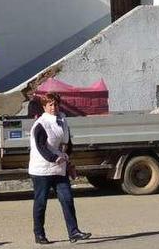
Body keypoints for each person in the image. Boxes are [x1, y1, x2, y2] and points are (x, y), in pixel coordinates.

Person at [28, 92, 92, 244]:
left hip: (59, 169)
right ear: (44, 107)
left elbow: (67, 143)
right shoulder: (40, 124)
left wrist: (67, 159)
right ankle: (39, 234)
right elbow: (41, 147)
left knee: (67, 199)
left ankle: (74, 232)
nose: (54, 107)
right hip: (41, 169)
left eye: (56, 104)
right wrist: (54, 158)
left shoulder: (62, 120)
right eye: (50, 105)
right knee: (41, 202)